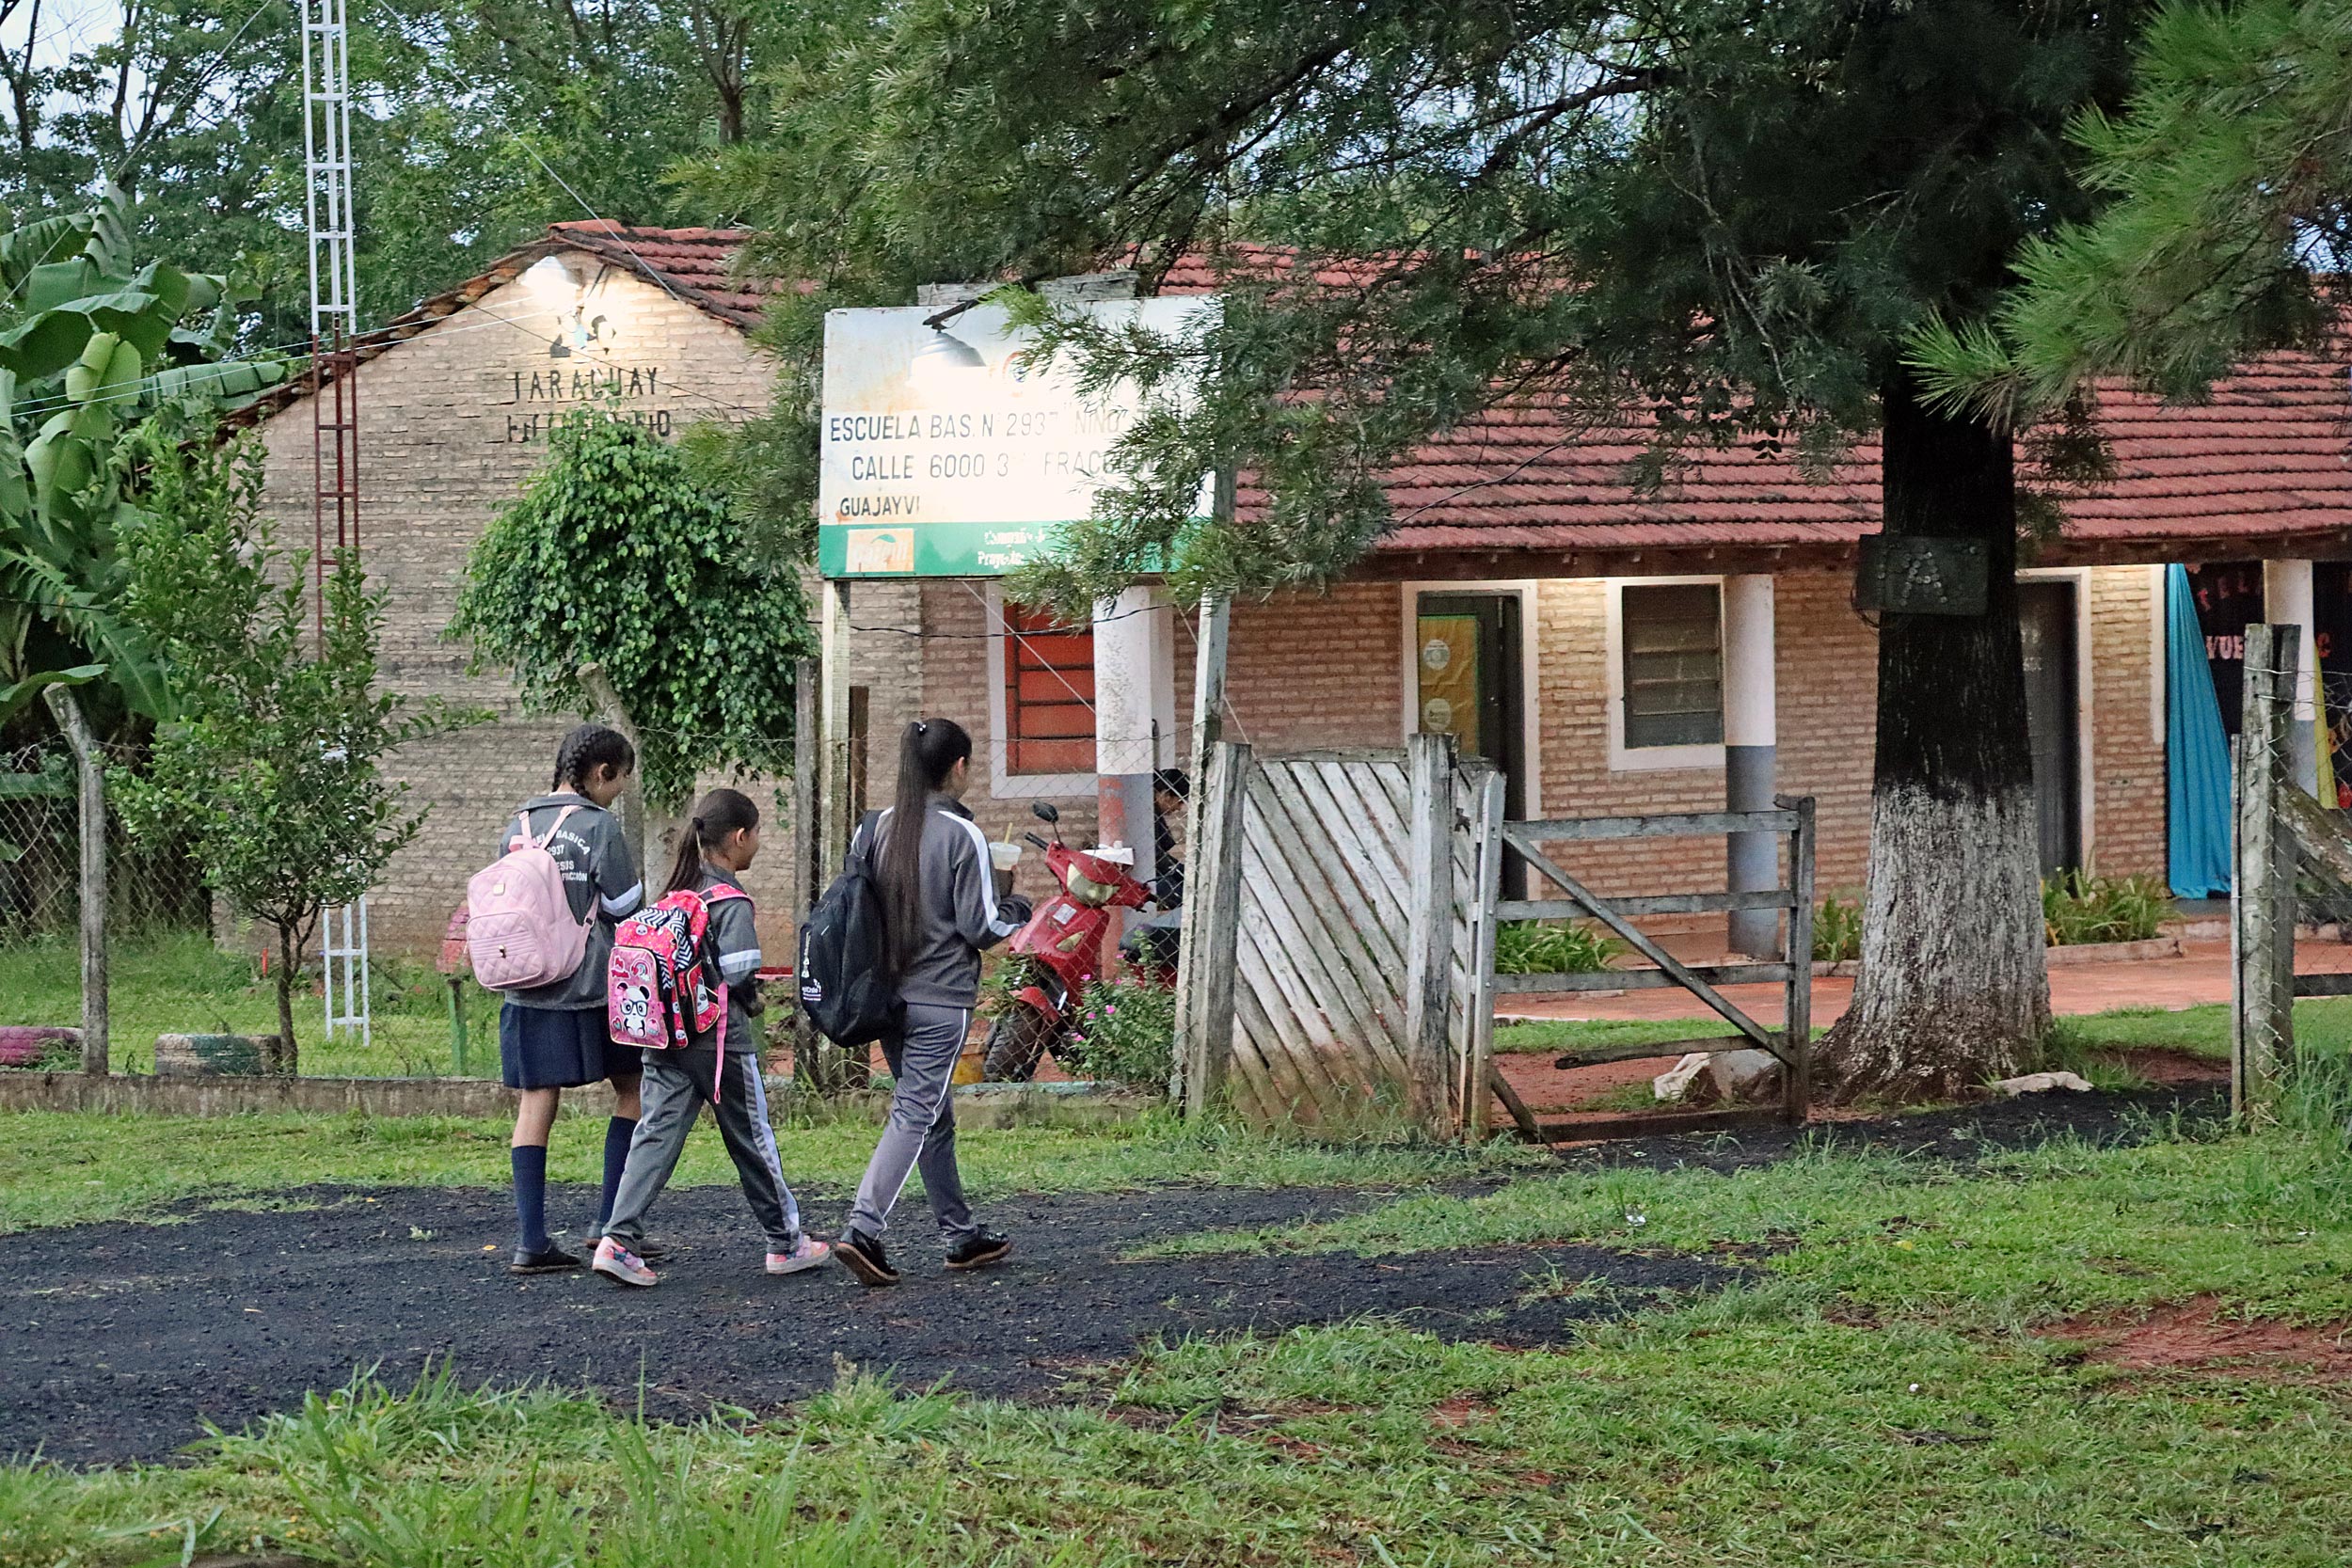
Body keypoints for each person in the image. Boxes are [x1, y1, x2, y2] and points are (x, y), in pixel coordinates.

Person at [593, 788, 830, 1287]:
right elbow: (741, 971)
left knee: (654, 1135)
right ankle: (786, 1243)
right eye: (757, 834)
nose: (758, 843)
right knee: (752, 1140)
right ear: (740, 837)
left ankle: (617, 1239)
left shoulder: (674, 892)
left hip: (662, 1038)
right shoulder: (729, 901)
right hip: (720, 1044)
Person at [834, 719, 1031, 1287]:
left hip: (883, 998)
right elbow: (982, 926)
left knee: (930, 1113)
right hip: (941, 1001)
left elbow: (855, 907)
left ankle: (960, 1236)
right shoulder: (961, 835)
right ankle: (863, 1229)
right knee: (916, 1113)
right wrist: (1014, 900)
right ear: (959, 768)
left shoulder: (872, 829)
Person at [496, 724, 645, 1275]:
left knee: (536, 1103)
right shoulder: (597, 826)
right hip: (590, 987)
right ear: (601, 772)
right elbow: (628, 906)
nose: (620, 792)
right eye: (620, 780)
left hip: (526, 987)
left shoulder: (516, 823)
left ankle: (530, 1241)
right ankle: (609, 1226)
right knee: (633, 1089)